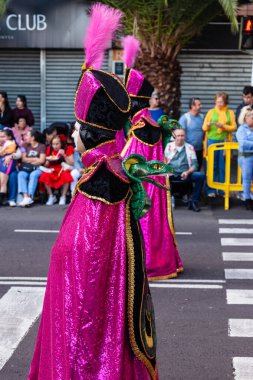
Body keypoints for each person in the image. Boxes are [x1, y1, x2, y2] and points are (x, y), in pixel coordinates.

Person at [28, 5, 157, 380]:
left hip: (88, 314)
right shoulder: (107, 168)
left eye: (77, 127)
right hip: (102, 303)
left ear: (89, 133)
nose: (73, 134)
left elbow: (84, 258)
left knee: (86, 349)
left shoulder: (101, 178)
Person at [121, 35, 183, 280]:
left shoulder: (143, 124)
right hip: (150, 181)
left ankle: (150, 263)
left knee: (146, 223)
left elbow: (131, 156)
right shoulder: (142, 121)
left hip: (146, 184)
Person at [202, 92, 237, 197]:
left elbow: (234, 127)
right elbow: (204, 128)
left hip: (224, 142)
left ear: (225, 101)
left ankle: (222, 190)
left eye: (221, 101)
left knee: (223, 166)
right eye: (217, 101)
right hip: (211, 141)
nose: (219, 103)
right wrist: (208, 126)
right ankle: (210, 190)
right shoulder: (210, 112)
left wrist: (223, 126)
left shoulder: (230, 113)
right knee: (212, 166)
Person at [165, 128, 205, 212]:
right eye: (178, 135)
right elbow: (162, 162)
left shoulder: (189, 147)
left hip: (185, 173)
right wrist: (167, 171)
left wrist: (187, 172)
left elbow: (195, 165)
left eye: (182, 135)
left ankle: (194, 201)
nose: (180, 138)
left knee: (200, 176)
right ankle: (163, 202)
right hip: (170, 174)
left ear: (185, 136)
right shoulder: (168, 146)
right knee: (156, 176)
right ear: (174, 136)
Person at [39, 135, 74, 205]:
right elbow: (46, 165)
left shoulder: (67, 149)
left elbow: (71, 163)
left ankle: (63, 196)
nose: (55, 146)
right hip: (52, 168)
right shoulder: (49, 149)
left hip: (62, 168)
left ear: (61, 143)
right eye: (53, 144)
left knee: (66, 175)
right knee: (44, 175)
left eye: (57, 144)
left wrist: (64, 155)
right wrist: (48, 160)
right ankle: (51, 196)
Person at [18, 130, 46, 207]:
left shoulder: (41, 146)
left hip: (37, 168)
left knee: (33, 175)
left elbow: (42, 160)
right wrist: (36, 159)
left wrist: (29, 160)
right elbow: (23, 159)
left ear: (33, 138)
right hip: (26, 168)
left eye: (27, 135)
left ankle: (30, 196)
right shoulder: (25, 146)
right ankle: (25, 197)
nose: (25, 137)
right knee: (21, 174)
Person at [179, 97, 204, 170]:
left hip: (199, 149)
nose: (201, 106)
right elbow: (180, 134)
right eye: (198, 104)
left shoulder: (202, 117)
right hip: (188, 150)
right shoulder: (185, 118)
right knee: (188, 170)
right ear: (192, 106)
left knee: (198, 169)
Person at [236, 109, 253, 210]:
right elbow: (243, 143)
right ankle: (247, 200)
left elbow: (247, 143)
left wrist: (249, 143)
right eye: (250, 115)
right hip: (246, 157)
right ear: (245, 118)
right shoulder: (241, 129)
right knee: (246, 179)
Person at [0, 129, 17, 205]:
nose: (1, 138)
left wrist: (11, 156)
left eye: (3, 136)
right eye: (0, 136)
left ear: (9, 137)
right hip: (2, 161)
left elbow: (18, 154)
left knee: (2, 183)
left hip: (7, 162)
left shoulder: (11, 143)